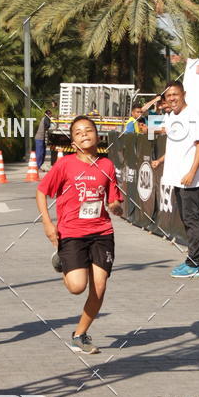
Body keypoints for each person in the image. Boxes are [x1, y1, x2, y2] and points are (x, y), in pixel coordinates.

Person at [36, 115, 123, 354]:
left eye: (88, 130)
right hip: (71, 232)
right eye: (78, 132)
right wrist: (47, 223)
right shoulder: (65, 165)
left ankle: (80, 334)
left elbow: (114, 199)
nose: (84, 134)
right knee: (76, 287)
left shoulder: (107, 166)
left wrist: (116, 206)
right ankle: (62, 260)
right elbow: (41, 192)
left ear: (97, 136)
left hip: (102, 232)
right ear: (73, 141)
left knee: (99, 287)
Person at [152, 82, 199, 277]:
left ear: (184, 94)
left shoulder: (193, 115)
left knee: (192, 219)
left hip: (189, 179)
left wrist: (192, 172)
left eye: (175, 94)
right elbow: (154, 131)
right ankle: (191, 259)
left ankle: (194, 264)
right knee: (186, 218)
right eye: (168, 96)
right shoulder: (171, 117)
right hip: (177, 178)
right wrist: (160, 160)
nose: (172, 98)